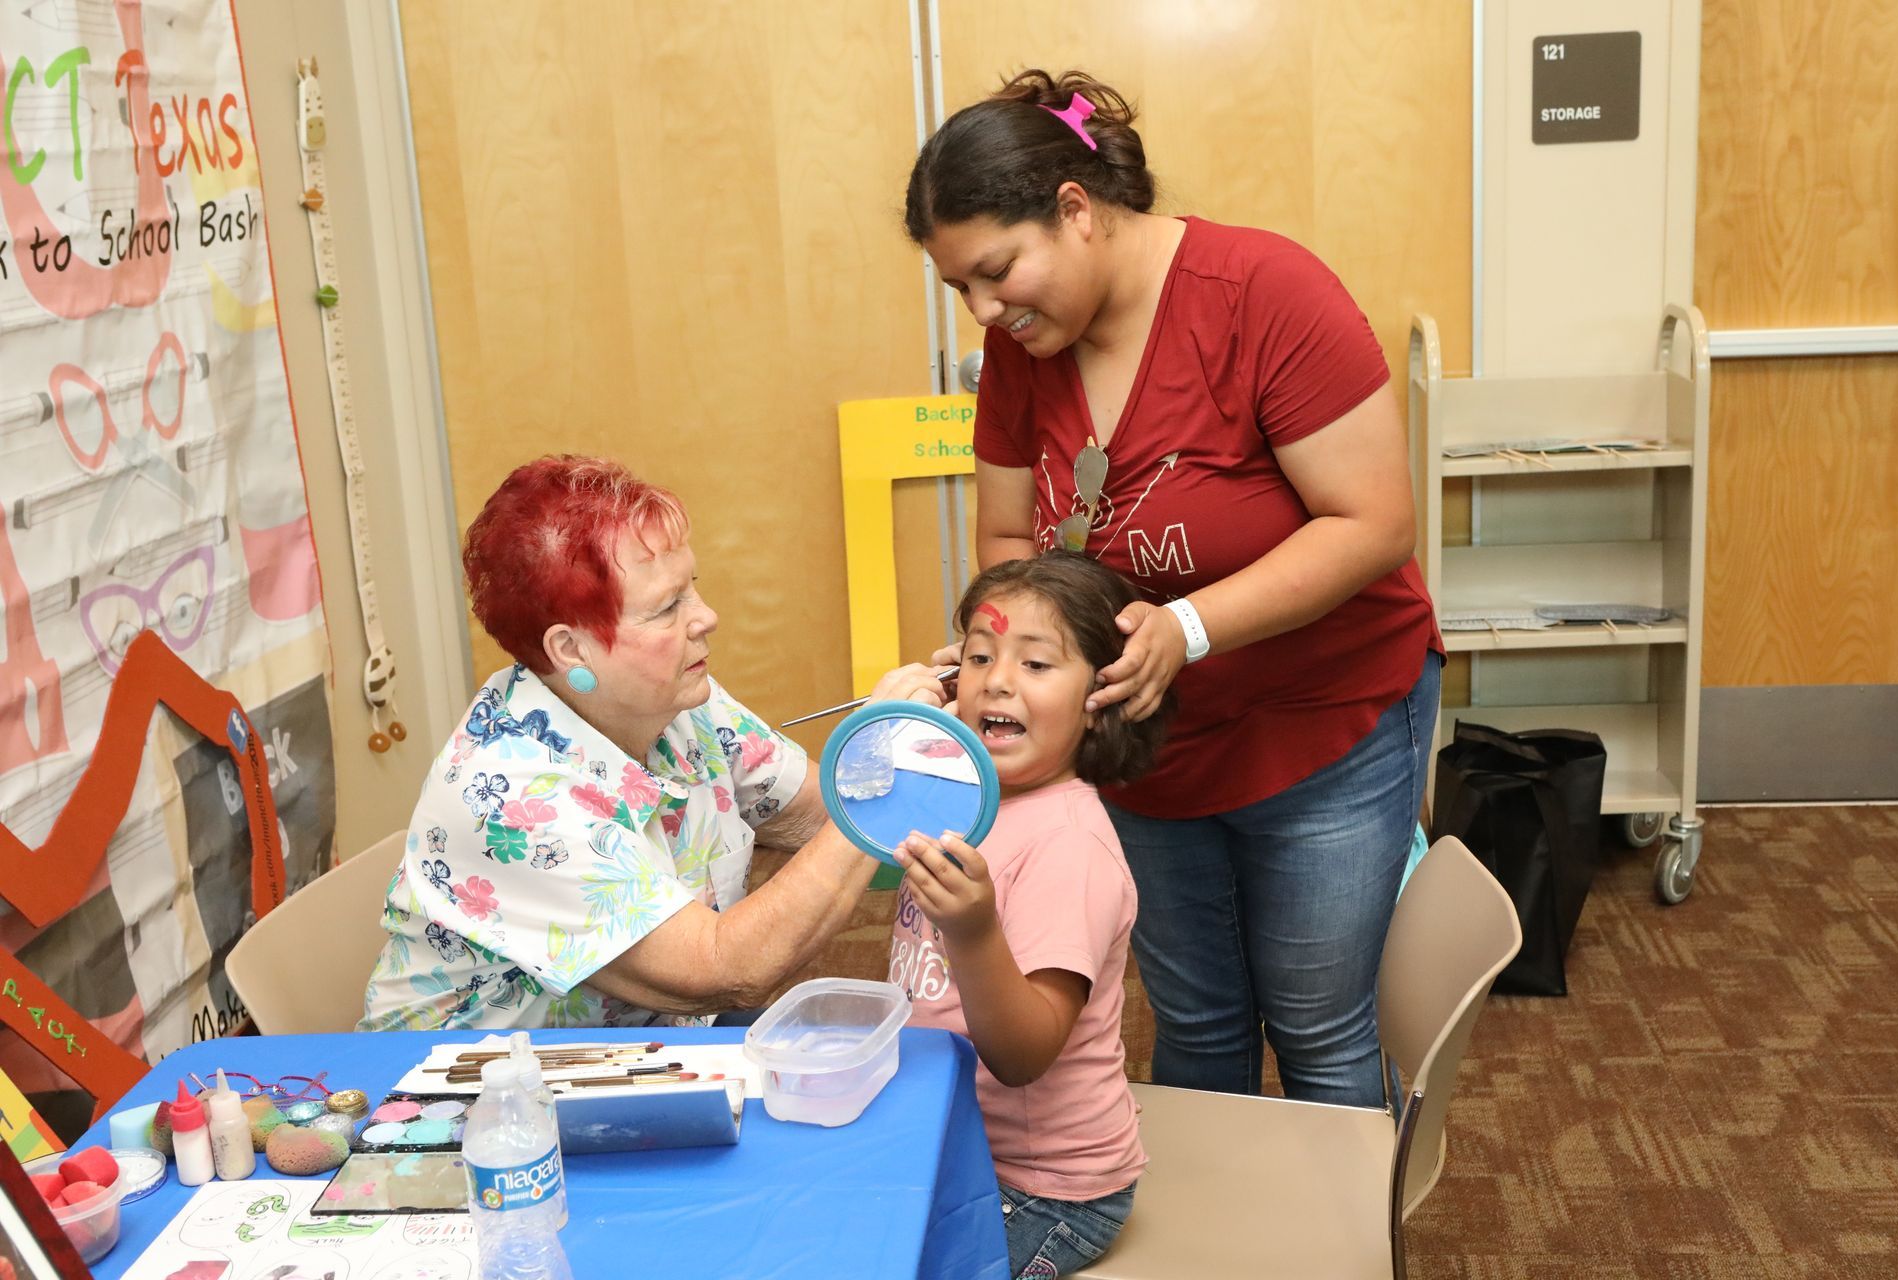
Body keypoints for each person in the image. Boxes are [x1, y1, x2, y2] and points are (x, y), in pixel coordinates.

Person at [905, 70, 1443, 1106]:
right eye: (958, 287)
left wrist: (1188, 627)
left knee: (1320, 1023)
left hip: (1318, 718)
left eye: (996, 270)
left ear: (1076, 210)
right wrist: (997, 659)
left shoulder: (1265, 294)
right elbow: (1012, 536)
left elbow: (1373, 522)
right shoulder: (1022, 345)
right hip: (1145, 736)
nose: (983, 308)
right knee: (1195, 1019)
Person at [360, 456, 945, 1032]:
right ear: (570, 650)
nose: (707, 617)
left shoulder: (679, 701)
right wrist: (869, 762)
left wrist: (959, 733)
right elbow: (726, 968)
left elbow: (818, 816)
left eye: (692, 589)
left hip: (643, 1046)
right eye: (668, 608)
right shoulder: (508, 799)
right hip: (468, 1094)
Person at [890, 552, 1172, 1278]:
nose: (998, 679)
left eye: (1037, 665)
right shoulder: (964, 803)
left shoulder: (1069, 848)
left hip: (1043, 1192)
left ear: (1099, 698)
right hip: (953, 1141)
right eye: (979, 656)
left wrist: (974, 931)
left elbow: (1023, 1056)